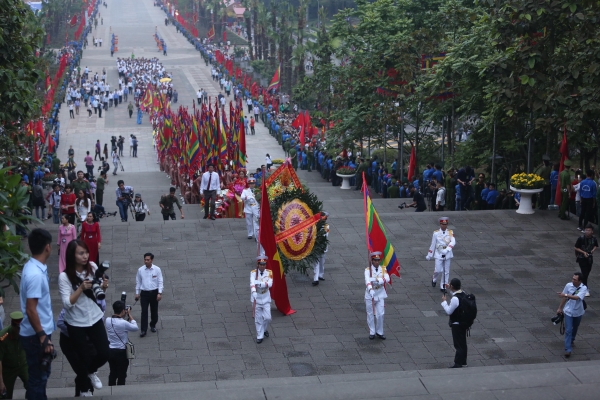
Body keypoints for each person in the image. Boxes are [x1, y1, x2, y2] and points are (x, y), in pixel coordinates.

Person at [58, 240, 109, 396]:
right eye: (81, 253)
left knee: (104, 353)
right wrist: (80, 288)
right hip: (75, 322)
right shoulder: (64, 277)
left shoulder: (93, 267)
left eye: (86, 252)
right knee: (83, 357)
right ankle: (84, 386)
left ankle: (91, 372)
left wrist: (103, 287)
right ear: (72, 256)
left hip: (94, 317)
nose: (85, 256)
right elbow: (67, 304)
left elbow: (97, 291)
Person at [19, 229, 56, 400]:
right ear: (47, 247)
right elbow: (31, 309)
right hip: (35, 334)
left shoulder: (32, 266)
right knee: (38, 377)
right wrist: (42, 336)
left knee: (39, 376)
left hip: (36, 332)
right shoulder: (35, 275)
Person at [105, 301, 138, 386]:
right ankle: (120, 390)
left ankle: (111, 389)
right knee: (122, 374)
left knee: (112, 372)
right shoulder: (124, 323)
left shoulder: (108, 320)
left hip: (110, 351)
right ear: (123, 311)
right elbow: (135, 328)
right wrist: (129, 315)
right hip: (121, 352)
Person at [557, 272, 588, 357]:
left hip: (578, 312)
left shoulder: (583, 288)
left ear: (580, 281)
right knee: (568, 330)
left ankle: (572, 339)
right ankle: (568, 349)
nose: (572, 280)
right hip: (568, 311)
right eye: (572, 278)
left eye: (575, 279)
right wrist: (560, 308)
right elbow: (564, 297)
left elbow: (577, 297)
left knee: (575, 327)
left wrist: (566, 295)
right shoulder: (568, 285)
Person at [0, 311, 28, 399]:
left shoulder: (26, 333)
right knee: (5, 394)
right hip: (8, 368)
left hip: (23, 365)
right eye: (18, 328)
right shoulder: (3, 337)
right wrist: (1, 382)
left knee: (33, 387)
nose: (20, 331)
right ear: (13, 326)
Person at [441, 278, 468, 368]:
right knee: (463, 343)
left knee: (458, 344)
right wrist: (450, 288)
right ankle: (463, 361)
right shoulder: (463, 293)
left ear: (452, 286)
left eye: (450, 284)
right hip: (464, 322)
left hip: (457, 323)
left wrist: (444, 302)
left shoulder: (455, 299)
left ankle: (458, 363)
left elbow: (449, 311)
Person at [135, 253, 163, 337]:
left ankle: (153, 324)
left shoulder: (157, 269)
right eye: (145, 260)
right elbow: (138, 281)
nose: (146, 261)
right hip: (144, 293)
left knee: (154, 310)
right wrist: (137, 293)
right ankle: (143, 329)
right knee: (144, 311)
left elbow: (160, 281)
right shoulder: (140, 270)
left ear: (152, 260)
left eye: (148, 260)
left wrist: (159, 293)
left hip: (154, 293)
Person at [364, 252, 390, 340]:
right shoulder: (367, 270)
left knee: (381, 314)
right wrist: (370, 289)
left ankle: (380, 331)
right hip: (370, 295)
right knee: (370, 314)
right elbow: (367, 280)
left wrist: (377, 280)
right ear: (372, 261)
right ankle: (372, 331)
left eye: (378, 260)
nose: (377, 262)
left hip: (380, 294)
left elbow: (387, 278)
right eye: (375, 260)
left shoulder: (383, 269)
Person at [426, 217, 456, 292]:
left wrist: (447, 249)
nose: (444, 226)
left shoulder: (450, 232)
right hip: (439, 253)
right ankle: (434, 279)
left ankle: (443, 286)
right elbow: (433, 244)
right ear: (440, 224)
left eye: (445, 224)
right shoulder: (436, 233)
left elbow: (453, 241)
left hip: (447, 253)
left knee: (446, 271)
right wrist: (429, 254)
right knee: (438, 270)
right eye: (443, 224)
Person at [250, 256, 273, 344]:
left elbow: (270, 284)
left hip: (266, 298)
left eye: (264, 264)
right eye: (261, 264)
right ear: (258, 264)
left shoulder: (269, 272)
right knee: (258, 318)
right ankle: (259, 336)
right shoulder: (253, 273)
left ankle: (264, 329)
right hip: (257, 298)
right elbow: (252, 283)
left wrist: (259, 283)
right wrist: (253, 292)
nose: (263, 266)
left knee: (268, 318)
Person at [574, 224, 597, 295]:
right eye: (586, 230)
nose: (587, 232)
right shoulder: (581, 238)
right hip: (582, 258)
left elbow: (596, 245)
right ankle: (585, 288)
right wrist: (583, 252)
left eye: (589, 230)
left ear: (592, 231)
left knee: (587, 272)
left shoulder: (594, 238)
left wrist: (593, 250)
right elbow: (576, 247)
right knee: (585, 273)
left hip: (590, 258)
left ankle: (580, 286)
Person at [313, 212, 329, 286]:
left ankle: (320, 275)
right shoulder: (314, 225)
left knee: (322, 262)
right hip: (316, 246)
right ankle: (315, 279)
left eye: (324, 218)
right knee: (316, 262)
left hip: (322, 246)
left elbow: (326, 236)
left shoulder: (326, 226)